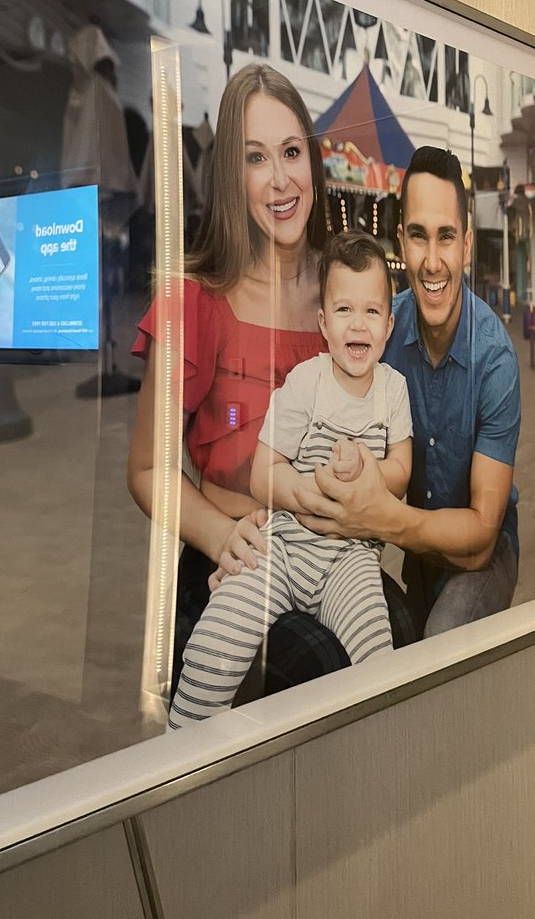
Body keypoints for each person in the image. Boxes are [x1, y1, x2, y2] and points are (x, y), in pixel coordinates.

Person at [127, 65, 416, 701]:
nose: (281, 179)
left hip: (335, 555)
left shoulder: (346, 299)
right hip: (238, 558)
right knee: (319, 675)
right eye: (257, 158)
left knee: (405, 652)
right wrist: (218, 535)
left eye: (291, 152)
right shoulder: (194, 302)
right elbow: (148, 470)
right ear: (233, 174)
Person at [168, 232, 412, 728]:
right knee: (218, 638)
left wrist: (369, 470)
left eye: (371, 312)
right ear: (323, 322)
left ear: (388, 325)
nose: (357, 324)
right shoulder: (306, 381)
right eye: (344, 310)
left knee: (378, 656)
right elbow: (263, 472)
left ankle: (382, 754)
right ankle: (180, 744)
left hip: (349, 560)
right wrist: (308, 491)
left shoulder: (393, 390)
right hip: (285, 546)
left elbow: (402, 471)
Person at [296, 146, 521, 638]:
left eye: (446, 238)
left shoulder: (495, 359)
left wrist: (382, 518)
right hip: (409, 547)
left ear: (465, 244)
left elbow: (481, 536)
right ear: (400, 240)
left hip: (480, 557)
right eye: (418, 236)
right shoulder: (379, 332)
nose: (433, 261)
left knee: (439, 640)